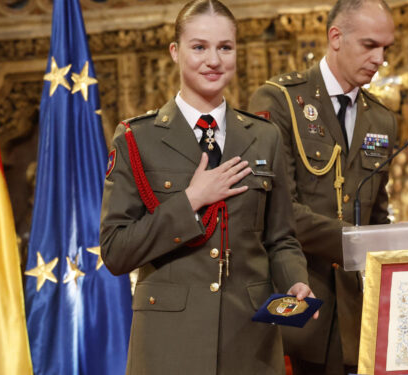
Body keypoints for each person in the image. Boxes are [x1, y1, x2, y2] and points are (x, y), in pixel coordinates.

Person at [100, 0, 316, 373]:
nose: (213, 60)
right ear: (175, 52)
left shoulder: (264, 137)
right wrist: (190, 200)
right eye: (199, 47)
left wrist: (296, 281)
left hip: (249, 339)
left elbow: (281, 238)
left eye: (225, 47)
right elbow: (116, 251)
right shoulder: (138, 138)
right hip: (169, 342)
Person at [248, 0, 397, 373]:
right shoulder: (280, 101)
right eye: (369, 45)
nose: (380, 58)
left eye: (385, 48)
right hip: (300, 303)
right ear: (335, 37)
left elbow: (378, 214)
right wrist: (358, 242)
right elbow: (277, 211)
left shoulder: (381, 119)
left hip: (358, 314)